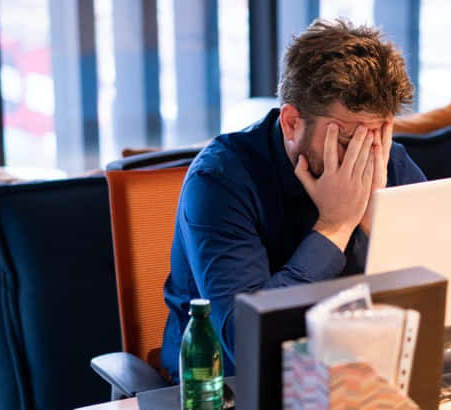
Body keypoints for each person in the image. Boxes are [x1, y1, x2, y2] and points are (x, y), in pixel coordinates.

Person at [161, 18, 426, 378]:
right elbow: (247, 345)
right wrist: (337, 225)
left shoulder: (386, 159)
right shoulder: (219, 182)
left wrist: (380, 229)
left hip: (355, 376)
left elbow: (436, 298)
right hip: (224, 397)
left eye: (380, 135)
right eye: (348, 141)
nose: (366, 157)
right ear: (291, 123)